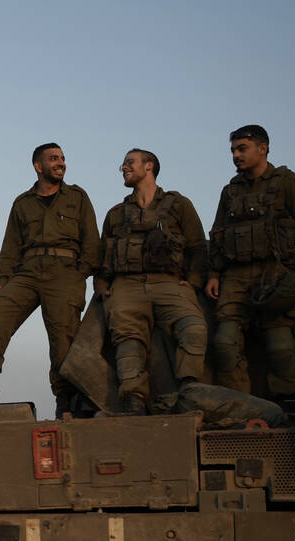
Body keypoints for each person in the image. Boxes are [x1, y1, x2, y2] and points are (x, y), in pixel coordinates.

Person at [0, 143, 99, 417]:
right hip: (27, 271)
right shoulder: (22, 203)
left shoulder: (77, 197)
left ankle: (65, 403)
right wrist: (2, 279)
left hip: (64, 270)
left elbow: (92, 239)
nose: (60, 163)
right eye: (53, 159)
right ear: (38, 166)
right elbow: (10, 246)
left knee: (63, 338)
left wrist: (81, 274)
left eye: (63, 158)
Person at [206, 125, 295, 400]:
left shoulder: (288, 181)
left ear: (263, 148)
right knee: (225, 343)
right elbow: (218, 233)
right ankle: (239, 406)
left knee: (281, 345)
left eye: (242, 148)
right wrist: (214, 273)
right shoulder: (230, 192)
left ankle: (288, 406)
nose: (236, 155)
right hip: (235, 276)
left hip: (276, 272)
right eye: (233, 150)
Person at [95, 149, 209, 415]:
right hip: (126, 285)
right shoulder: (116, 214)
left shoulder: (178, 205)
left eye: (129, 162)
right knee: (128, 340)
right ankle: (134, 398)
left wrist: (193, 282)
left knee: (194, 327)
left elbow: (197, 246)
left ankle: (190, 390)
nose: (122, 167)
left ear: (149, 166)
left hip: (169, 282)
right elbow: (103, 256)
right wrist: (102, 288)